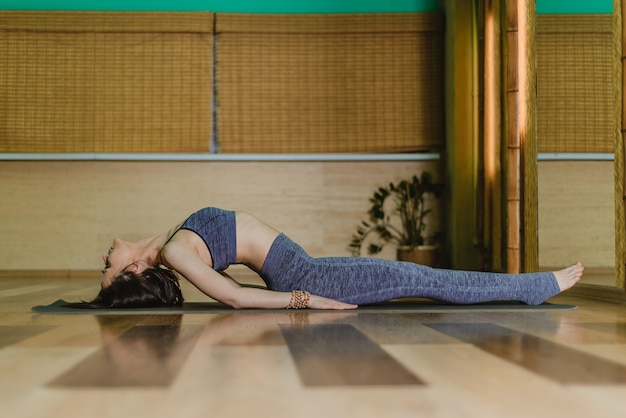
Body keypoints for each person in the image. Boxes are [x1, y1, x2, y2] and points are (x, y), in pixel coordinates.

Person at [67, 207, 584, 310]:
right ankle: (530, 286)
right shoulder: (178, 252)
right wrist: (306, 300)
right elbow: (236, 298)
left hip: (310, 264)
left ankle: (526, 285)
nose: (105, 258)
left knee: (420, 275)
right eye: (107, 269)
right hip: (309, 276)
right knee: (422, 276)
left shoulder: (169, 241)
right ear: (133, 271)